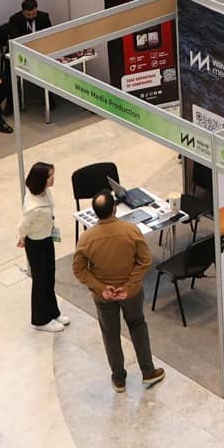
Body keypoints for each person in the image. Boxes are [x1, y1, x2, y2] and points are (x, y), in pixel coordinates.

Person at [71, 191, 162, 391]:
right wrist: (129, 286)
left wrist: (101, 288)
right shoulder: (131, 230)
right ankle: (148, 372)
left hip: (104, 297)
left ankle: (119, 379)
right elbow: (145, 261)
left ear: (95, 213)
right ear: (114, 208)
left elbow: (79, 269)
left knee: (110, 334)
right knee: (138, 326)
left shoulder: (87, 238)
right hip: (131, 294)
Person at [18, 162, 65, 332]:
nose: (53, 178)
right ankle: (41, 319)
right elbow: (23, 226)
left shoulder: (44, 193)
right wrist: (22, 237)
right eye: (50, 176)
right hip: (36, 243)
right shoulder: (34, 207)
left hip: (46, 238)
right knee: (40, 281)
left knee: (50, 276)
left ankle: (52, 311)